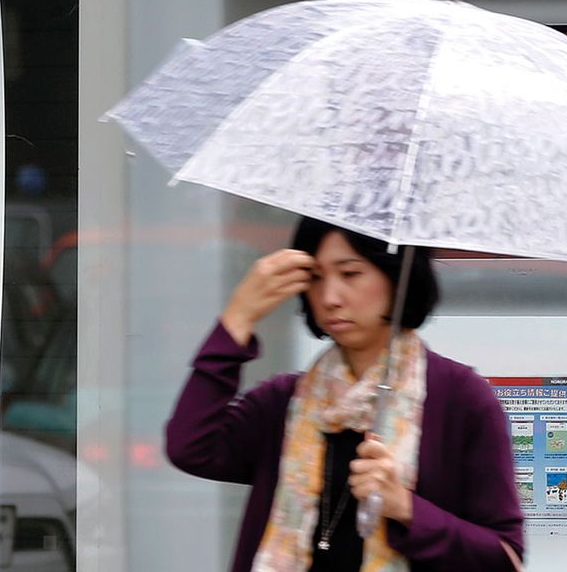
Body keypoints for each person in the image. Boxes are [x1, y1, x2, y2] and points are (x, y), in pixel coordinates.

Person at [165, 217, 524, 572]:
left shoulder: (461, 400)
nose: (329, 297)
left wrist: (406, 509)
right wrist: (238, 318)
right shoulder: (286, 402)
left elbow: (504, 557)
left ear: (396, 275)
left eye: (350, 274)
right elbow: (191, 446)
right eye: (316, 278)